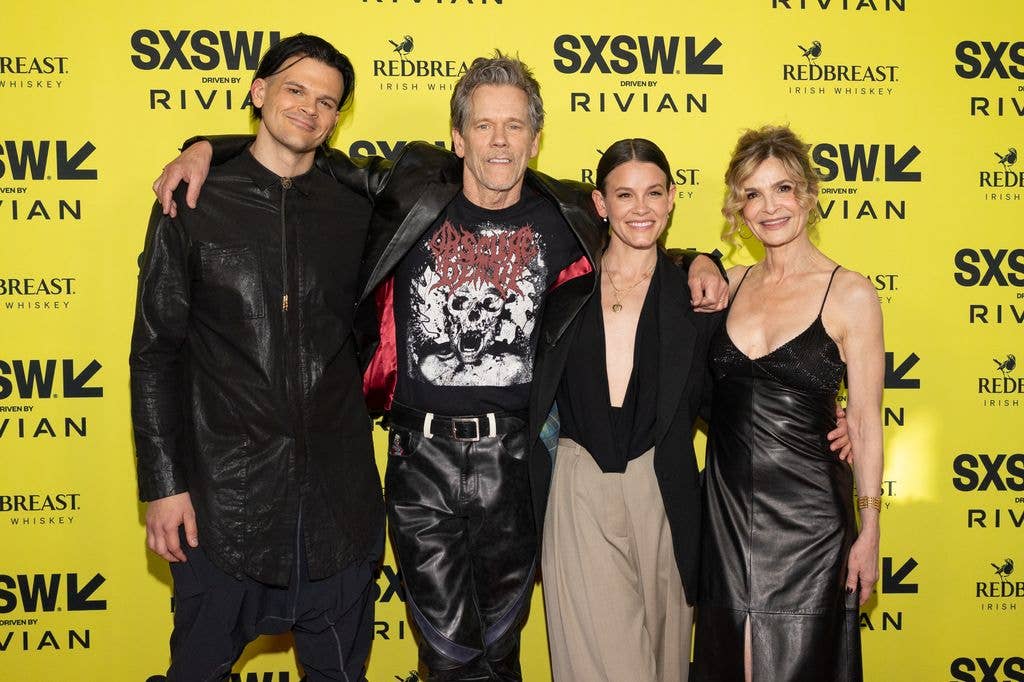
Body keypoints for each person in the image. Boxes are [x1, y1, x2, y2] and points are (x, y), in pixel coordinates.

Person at [152, 54, 731, 681]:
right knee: (448, 656)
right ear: (458, 138)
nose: (500, 140)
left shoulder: (566, 214)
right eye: (483, 126)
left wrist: (698, 259)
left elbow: (637, 231)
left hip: (517, 463)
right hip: (419, 462)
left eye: (514, 126)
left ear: (537, 140)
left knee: (500, 653)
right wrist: (206, 146)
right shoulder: (408, 191)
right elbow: (294, 144)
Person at [130, 35, 383, 682]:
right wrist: (163, 486)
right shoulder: (191, 201)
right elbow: (155, 353)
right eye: (294, 90)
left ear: (338, 118)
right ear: (258, 90)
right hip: (223, 509)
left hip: (339, 512)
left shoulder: (358, 207)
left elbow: (479, 176)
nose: (309, 109)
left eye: (326, 102)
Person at [693, 125, 883, 682]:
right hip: (726, 511)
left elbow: (867, 422)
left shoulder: (849, 292)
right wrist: (699, 259)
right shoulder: (726, 282)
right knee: (733, 662)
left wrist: (870, 532)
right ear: (737, 207)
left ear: (807, 195)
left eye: (782, 189)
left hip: (811, 521)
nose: (769, 207)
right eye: (753, 193)